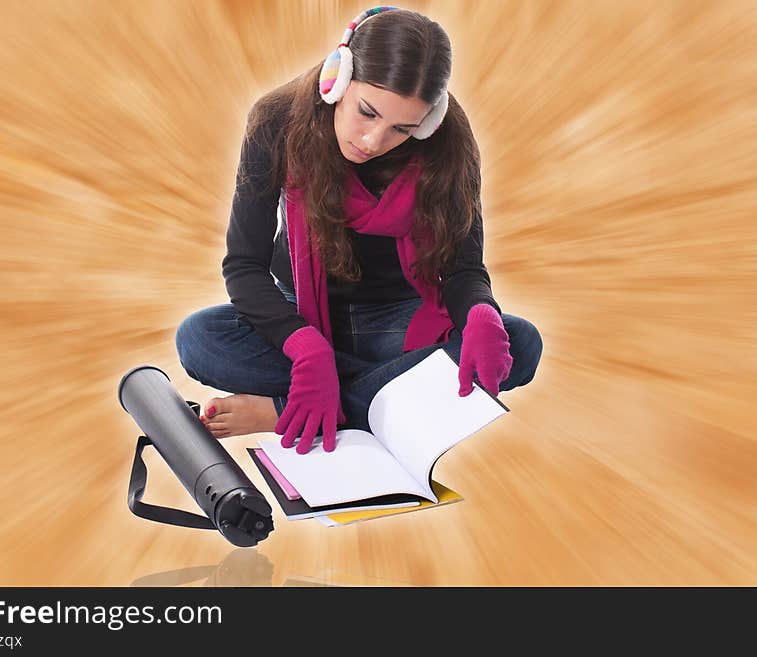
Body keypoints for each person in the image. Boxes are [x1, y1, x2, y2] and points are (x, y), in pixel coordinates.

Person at [175, 6, 542, 455]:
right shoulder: (276, 120)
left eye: (402, 129)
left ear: (428, 121)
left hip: (399, 318)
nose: (373, 141)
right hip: (300, 312)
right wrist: (307, 351)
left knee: (519, 342)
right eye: (367, 112)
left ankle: (292, 406)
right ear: (338, 78)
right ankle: (395, 391)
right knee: (199, 339)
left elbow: (464, 269)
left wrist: (481, 314)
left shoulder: (448, 143)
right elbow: (244, 267)